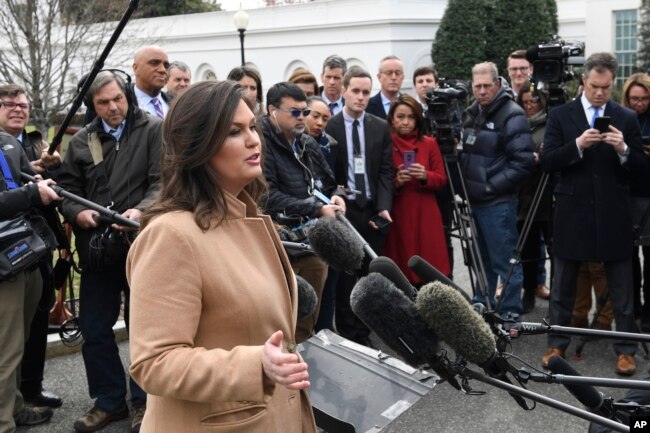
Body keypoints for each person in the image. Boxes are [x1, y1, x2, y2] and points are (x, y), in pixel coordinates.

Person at [126, 80, 317, 433]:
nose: (253, 140)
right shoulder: (171, 235)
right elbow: (154, 362)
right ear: (197, 147)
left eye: (252, 127)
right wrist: (255, 365)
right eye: (233, 132)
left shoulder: (248, 219)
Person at [58, 71, 162, 432]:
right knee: (94, 328)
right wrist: (77, 212)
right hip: (97, 250)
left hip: (142, 246)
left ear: (128, 95)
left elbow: (164, 181)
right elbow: (68, 188)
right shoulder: (82, 141)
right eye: (103, 102)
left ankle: (145, 402)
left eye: (117, 98)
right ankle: (109, 401)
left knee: (143, 329)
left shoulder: (152, 130)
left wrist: (141, 211)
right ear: (92, 105)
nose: (113, 107)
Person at [540, 52, 644, 375]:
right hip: (572, 213)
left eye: (607, 87)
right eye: (595, 86)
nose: (600, 93)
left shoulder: (625, 117)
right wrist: (578, 145)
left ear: (613, 83)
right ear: (584, 80)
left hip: (614, 214)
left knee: (623, 289)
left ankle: (626, 350)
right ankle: (557, 344)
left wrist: (623, 149)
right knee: (563, 287)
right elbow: (547, 162)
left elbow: (642, 171)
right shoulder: (561, 115)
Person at [261, 82, 346, 342]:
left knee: (307, 320)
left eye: (305, 112)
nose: (302, 118)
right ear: (272, 111)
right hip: (278, 242)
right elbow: (267, 196)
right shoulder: (260, 143)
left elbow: (333, 184)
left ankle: (304, 370)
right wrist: (317, 207)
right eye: (295, 112)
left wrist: (337, 197)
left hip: (311, 243)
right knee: (276, 320)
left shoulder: (307, 143)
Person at [0, 84, 63, 410]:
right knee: (6, 344)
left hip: (34, 248)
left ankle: (24, 398)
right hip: (5, 258)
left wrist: (48, 172)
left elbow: (39, 183)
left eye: (23, 104)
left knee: (29, 332)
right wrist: (31, 190)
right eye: (9, 104)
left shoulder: (23, 142)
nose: (17, 109)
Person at [325, 66, 394, 346]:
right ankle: (348, 333)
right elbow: (326, 173)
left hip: (372, 210)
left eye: (366, 92)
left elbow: (386, 171)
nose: (361, 97)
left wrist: (384, 205)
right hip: (345, 208)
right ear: (343, 91)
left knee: (369, 272)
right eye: (355, 91)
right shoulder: (331, 126)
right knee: (344, 276)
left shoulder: (379, 126)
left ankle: (364, 332)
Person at [459, 62, 534, 320]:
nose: (481, 91)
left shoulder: (512, 114)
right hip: (475, 201)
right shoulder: (472, 113)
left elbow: (524, 162)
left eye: (486, 86)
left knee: (504, 260)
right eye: (477, 86)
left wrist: (491, 186)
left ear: (498, 84)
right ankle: (483, 304)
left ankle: (511, 311)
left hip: (497, 202)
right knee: (481, 259)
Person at [383, 95, 450, 285]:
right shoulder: (386, 143)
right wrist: (397, 182)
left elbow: (441, 178)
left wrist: (425, 176)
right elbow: (379, 180)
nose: (406, 122)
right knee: (402, 262)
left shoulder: (429, 143)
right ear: (392, 120)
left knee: (430, 261)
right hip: (399, 211)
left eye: (411, 117)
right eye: (400, 117)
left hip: (426, 211)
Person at [515, 83, 552, 313]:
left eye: (534, 101)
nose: (529, 106)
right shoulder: (518, 124)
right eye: (525, 102)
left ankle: (554, 292)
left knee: (553, 247)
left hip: (547, 193)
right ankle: (528, 290)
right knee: (527, 249)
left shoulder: (551, 123)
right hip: (524, 195)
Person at [304, 96, 338, 332]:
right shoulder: (294, 145)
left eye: (325, 118)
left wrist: (337, 195)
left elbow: (332, 182)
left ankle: (326, 332)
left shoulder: (330, 145)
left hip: (329, 222)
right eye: (315, 116)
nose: (320, 122)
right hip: (303, 226)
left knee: (329, 287)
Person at [621, 72, 650, 330]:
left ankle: (648, 313)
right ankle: (634, 311)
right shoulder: (624, 120)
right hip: (628, 194)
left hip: (649, 195)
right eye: (634, 99)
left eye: (643, 99)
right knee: (628, 258)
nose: (638, 104)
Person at [132, 45, 171, 119]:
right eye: (154, 63)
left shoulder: (176, 104)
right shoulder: (121, 104)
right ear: (135, 68)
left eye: (166, 65)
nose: (163, 70)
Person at [366, 55, 404, 119]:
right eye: (389, 73)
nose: (393, 77)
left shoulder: (412, 105)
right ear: (379, 77)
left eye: (397, 73)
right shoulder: (367, 106)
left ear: (402, 77)